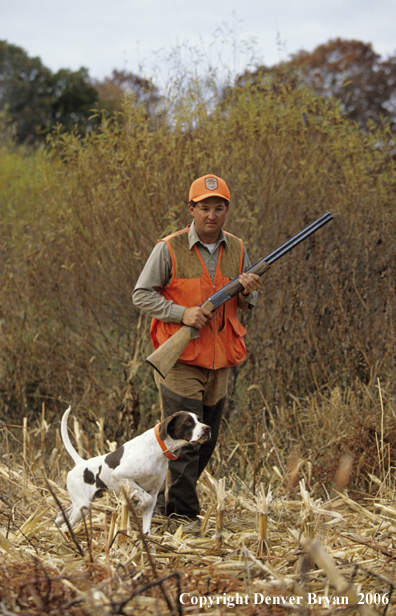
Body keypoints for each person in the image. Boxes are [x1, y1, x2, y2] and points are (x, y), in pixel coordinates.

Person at [132, 174, 261, 523]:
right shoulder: (169, 247)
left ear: (227, 210)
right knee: (186, 445)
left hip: (220, 361)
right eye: (204, 208)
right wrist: (181, 313)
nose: (212, 215)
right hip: (181, 360)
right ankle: (183, 518)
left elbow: (250, 302)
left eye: (219, 208)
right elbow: (141, 294)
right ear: (191, 209)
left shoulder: (238, 247)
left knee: (206, 442)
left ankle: (158, 503)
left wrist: (248, 291)